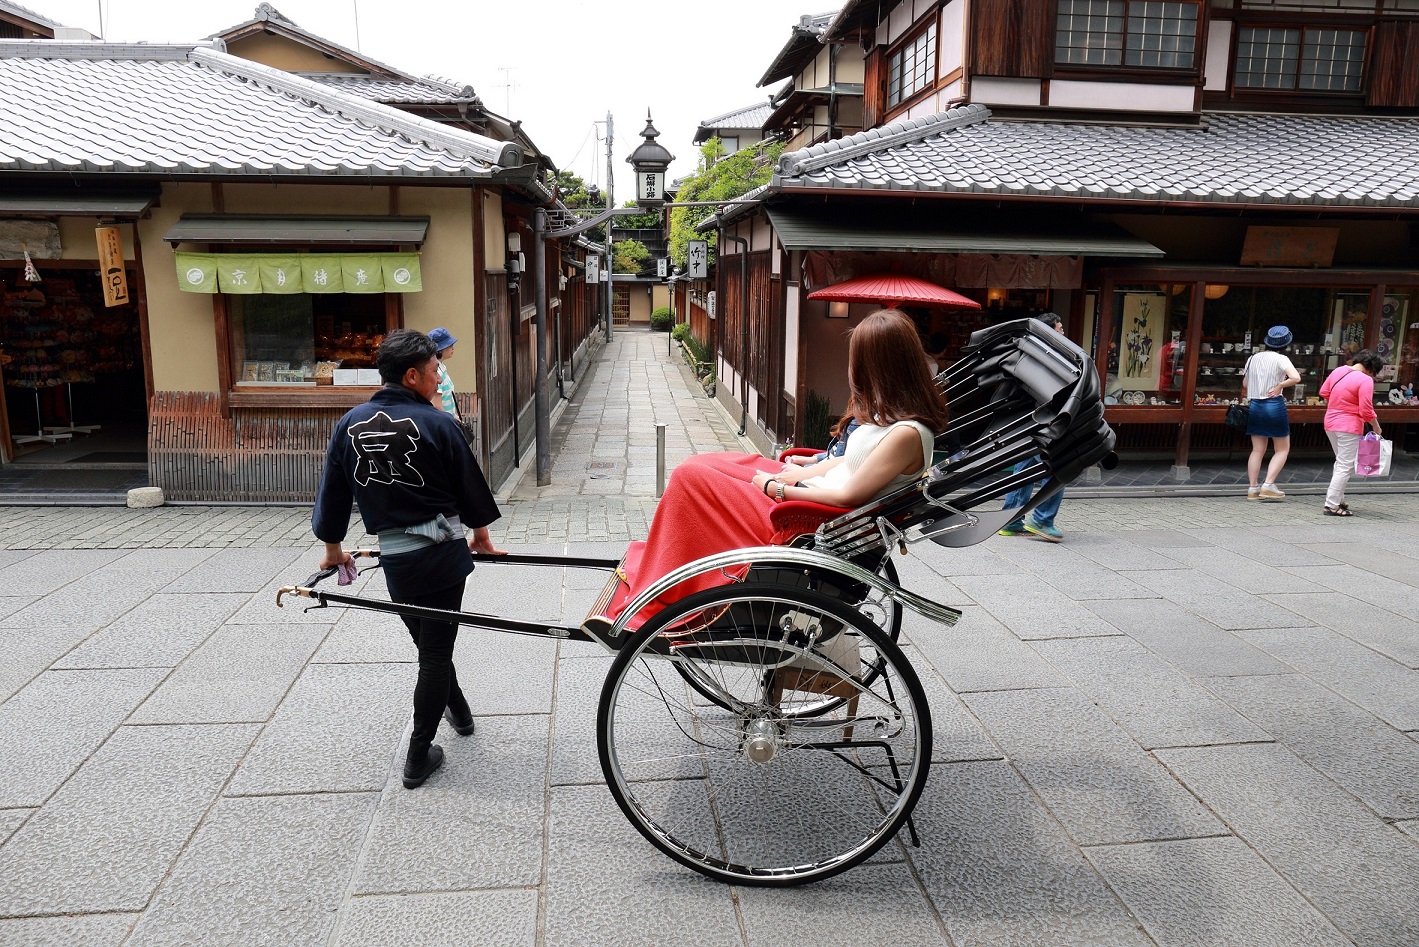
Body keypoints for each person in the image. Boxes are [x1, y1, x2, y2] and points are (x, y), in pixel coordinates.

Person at [603, 310, 949, 627]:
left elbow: (850, 493)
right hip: (814, 496)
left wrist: (778, 488)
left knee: (691, 478)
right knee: (706, 462)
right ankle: (665, 566)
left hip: (809, 515)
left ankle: (666, 584)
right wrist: (802, 472)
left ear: (879, 367)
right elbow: (849, 461)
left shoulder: (906, 433)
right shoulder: (894, 419)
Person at [312, 329, 505, 790]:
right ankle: (419, 754)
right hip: (441, 557)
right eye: (436, 371)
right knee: (435, 651)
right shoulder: (439, 425)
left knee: (430, 643)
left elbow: (334, 492)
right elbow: (470, 489)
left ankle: (458, 713)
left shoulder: (350, 423)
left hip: (397, 561)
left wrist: (333, 548)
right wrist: (480, 536)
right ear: (413, 375)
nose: (440, 379)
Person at [998, 313, 1068, 542]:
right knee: (1056, 469)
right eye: (1059, 329)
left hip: (1025, 420)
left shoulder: (1030, 352)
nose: (1063, 333)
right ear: (1048, 332)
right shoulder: (1046, 356)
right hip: (1041, 420)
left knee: (1025, 469)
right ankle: (1042, 519)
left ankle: (1011, 520)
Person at [1320, 351, 1384, 517]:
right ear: (1371, 369)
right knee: (1345, 465)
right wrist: (1376, 427)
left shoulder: (1338, 371)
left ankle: (1338, 499)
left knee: (1341, 462)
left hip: (1330, 422)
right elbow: (1366, 410)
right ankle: (1331, 505)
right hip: (1349, 426)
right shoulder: (1365, 380)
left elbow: (1324, 392)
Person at [1243, 325, 1302, 501]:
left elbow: (1245, 384)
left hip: (1254, 405)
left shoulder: (1252, 358)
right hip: (1273, 405)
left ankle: (1253, 488)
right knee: (1282, 449)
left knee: (1257, 450)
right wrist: (1279, 385)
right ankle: (1268, 485)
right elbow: (1296, 378)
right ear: (1286, 344)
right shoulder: (1281, 359)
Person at [427, 327, 459, 419]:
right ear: (440, 349)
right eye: (450, 345)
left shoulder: (442, 368)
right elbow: (437, 406)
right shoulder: (436, 372)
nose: (453, 348)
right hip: (443, 424)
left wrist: (454, 416)